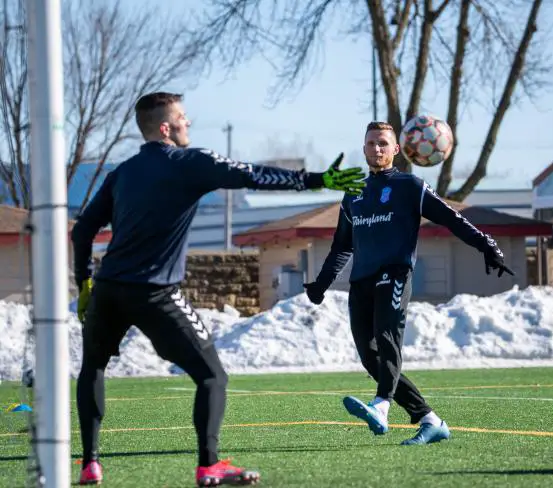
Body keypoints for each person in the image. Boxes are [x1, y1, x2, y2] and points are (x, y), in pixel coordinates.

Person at [71, 91, 366, 487]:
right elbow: (250, 173)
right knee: (213, 377)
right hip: (155, 292)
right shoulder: (190, 162)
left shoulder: (121, 174)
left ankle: (90, 463)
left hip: (107, 290)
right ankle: (209, 465)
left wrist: (84, 282)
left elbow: (84, 231)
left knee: (93, 367)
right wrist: (317, 180)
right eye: (182, 117)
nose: (188, 123)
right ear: (165, 127)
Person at [303, 121, 513, 446]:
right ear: (364, 149)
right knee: (369, 356)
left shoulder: (409, 186)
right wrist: (321, 284)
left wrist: (487, 245)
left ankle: (381, 407)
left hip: (395, 274)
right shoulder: (353, 193)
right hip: (361, 282)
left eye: (384, 143)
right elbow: (343, 246)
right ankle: (430, 420)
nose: (377, 149)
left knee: (387, 336)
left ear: (397, 150)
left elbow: (450, 217)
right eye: (372, 143)